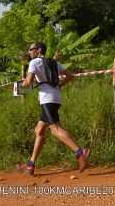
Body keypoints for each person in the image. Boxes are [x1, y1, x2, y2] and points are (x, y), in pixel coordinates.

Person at [17, 42, 89, 176]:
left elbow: (28, 82)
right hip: (56, 98)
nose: (29, 52)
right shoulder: (54, 62)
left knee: (55, 129)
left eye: (31, 50)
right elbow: (70, 76)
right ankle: (30, 166)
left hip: (46, 99)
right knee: (39, 130)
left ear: (38, 50)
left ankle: (80, 153)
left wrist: (21, 84)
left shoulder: (34, 62)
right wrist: (60, 85)